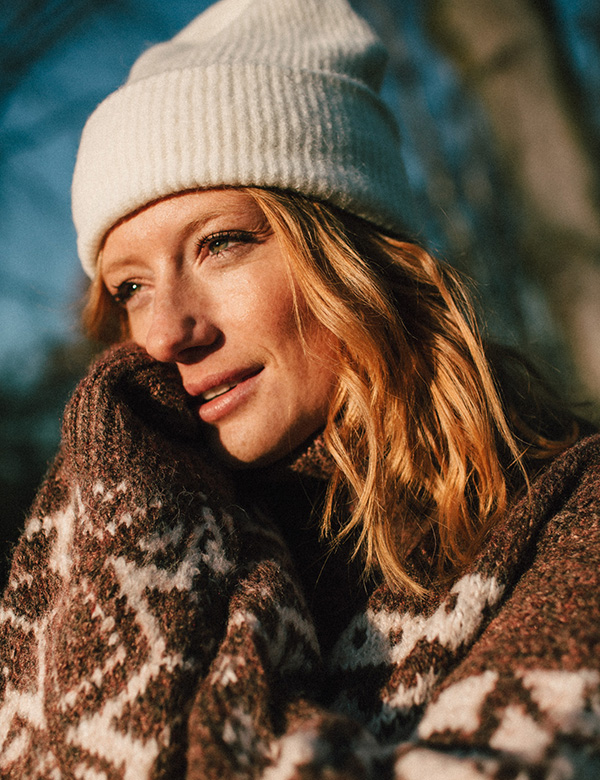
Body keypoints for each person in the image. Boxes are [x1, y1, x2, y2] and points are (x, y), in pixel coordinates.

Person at [1, 0, 598, 777]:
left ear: (355, 260)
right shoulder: (124, 544)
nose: (168, 333)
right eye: (131, 289)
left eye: (221, 244)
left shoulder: (568, 516)